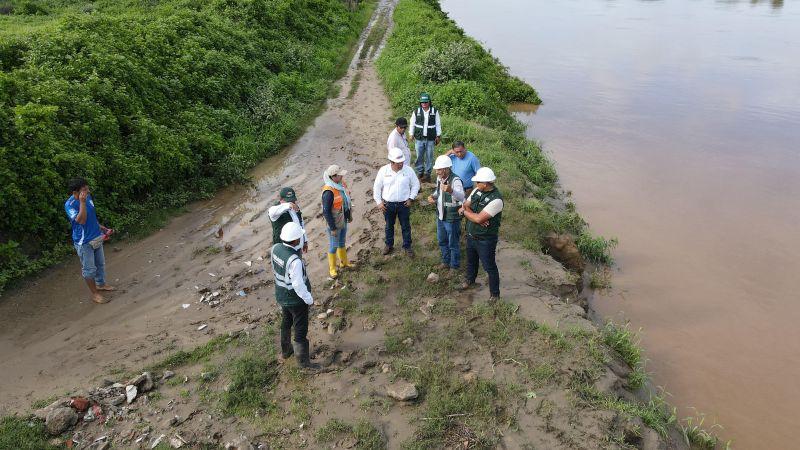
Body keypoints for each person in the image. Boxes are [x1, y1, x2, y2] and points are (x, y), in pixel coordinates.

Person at [271, 222, 320, 370]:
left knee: (286, 322)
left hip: (281, 295)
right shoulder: (295, 261)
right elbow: (298, 285)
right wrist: (308, 299)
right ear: (296, 240)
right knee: (300, 329)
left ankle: (286, 351)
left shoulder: (275, 248)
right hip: (296, 300)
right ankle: (303, 363)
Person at [64, 178, 115, 304]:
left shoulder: (88, 197)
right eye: (84, 190)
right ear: (75, 192)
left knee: (100, 264)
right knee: (89, 269)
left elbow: (92, 216)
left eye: (87, 189)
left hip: (96, 236)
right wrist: (82, 202)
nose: (88, 191)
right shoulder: (69, 205)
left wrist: (101, 228)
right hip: (84, 242)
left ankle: (101, 284)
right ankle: (95, 294)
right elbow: (81, 220)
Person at [459, 167, 503, 300]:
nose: (476, 184)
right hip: (472, 235)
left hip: (486, 239)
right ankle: (469, 281)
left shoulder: (496, 200)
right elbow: (466, 204)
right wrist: (475, 216)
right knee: (471, 261)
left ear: (486, 183)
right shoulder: (477, 190)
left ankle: (495, 295)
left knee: (489, 267)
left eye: (478, 182)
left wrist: (465, 213)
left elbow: (471, 214)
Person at [373, 147, 420, 256]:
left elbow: (416, 184)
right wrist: (379, 202)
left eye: (402, 161)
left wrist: (411, 198)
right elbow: (377, 187)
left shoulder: (408, 170)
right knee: (389, 225)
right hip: (388, 205)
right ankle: (389, 245)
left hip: (404, 204)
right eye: (398, 162)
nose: (401, 164)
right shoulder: (383, 171)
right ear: (391, 162)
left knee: (406, 226)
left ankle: (407, 246)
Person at [427, 155, 465, 270]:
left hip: (452, 217)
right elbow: (438, 191)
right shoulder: (439, 178)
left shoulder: (455, 180)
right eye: (437, 169)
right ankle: (445, 261)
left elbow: (462, 197)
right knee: (442, 240)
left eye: (439, 169)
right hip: (441, 215)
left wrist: (451, 190)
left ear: (446, 169)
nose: (437, 172)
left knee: (453, 243)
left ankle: (454, 266)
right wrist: (433, 196)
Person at [322, 165, 354, 278]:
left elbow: (345, 201)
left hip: (343, 219)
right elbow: (326, 212)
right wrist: (333, 228)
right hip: (334, 223)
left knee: (342, 242)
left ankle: (344, 263)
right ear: (333, 176)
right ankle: (332, 268)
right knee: (333, 246)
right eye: (340, 174)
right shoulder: (328, 192)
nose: (342, 176)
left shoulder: (341, 185)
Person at [409, 92, 441, 182]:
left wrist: (438, 135)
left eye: (426, 102)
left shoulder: (434, 111)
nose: (424, 104)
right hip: (419, 138)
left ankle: (427, 174)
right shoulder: (416, 111)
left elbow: (438, 124)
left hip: (430, 138)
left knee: (429, 156)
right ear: (420, 102)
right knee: (419, 155)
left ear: (429, 102)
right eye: (422, 102)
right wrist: (411, 134)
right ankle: (420, 172)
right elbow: (412, 123)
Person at [269, 187, 307, 251]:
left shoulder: (295, 207)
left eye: (293, 200)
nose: (292, 203)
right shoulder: (276, 211)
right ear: (281, 200)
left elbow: (301, 224)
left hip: (297, 246)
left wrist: (305, 240)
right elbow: (271, 212)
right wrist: (288, 205)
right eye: (288, 201)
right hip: (283, 249)